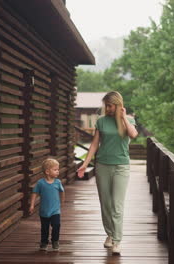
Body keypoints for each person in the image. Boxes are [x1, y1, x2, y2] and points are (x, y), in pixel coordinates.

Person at [77, 91, 138, 255]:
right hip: (102, 166)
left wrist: (124, 117)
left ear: (118, 105)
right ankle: (110, 234)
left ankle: (117, 240)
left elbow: (133, 134)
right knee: (106, 204)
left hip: (121, 167)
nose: (107, 108)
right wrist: (85, 164)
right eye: (106, 105)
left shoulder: (129, 121)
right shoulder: (101, 121)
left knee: (117, 205)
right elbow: (94, 145)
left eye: (110, 105)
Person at [29, 158, 65, 251]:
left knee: (56, 225)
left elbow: (62, 191)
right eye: (55, 170)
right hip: (44, 211)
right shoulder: (41, 183)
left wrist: (62, 201)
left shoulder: (58, 182)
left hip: (55, 210)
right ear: (47, 171)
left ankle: (55, 241)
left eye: (58, 169)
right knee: (44, 228)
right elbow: (34, 193)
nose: (58, 171)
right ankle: (44, 242)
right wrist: (32, 205)